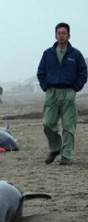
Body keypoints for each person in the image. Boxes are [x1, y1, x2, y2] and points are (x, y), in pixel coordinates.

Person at [37, 22, 87, 165]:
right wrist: (45, 87)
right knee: (47, 123)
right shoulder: (48, 53)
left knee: (69, 126)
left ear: (69, 35)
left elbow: (83, 73)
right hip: (51, 93)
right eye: (59, 33)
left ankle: (66, 156)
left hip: (68, 93)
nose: (61, 35)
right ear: (55, 35)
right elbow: (41, 72)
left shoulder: (76, 54)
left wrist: (76, 88)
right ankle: (55, 148)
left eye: (64, 33)